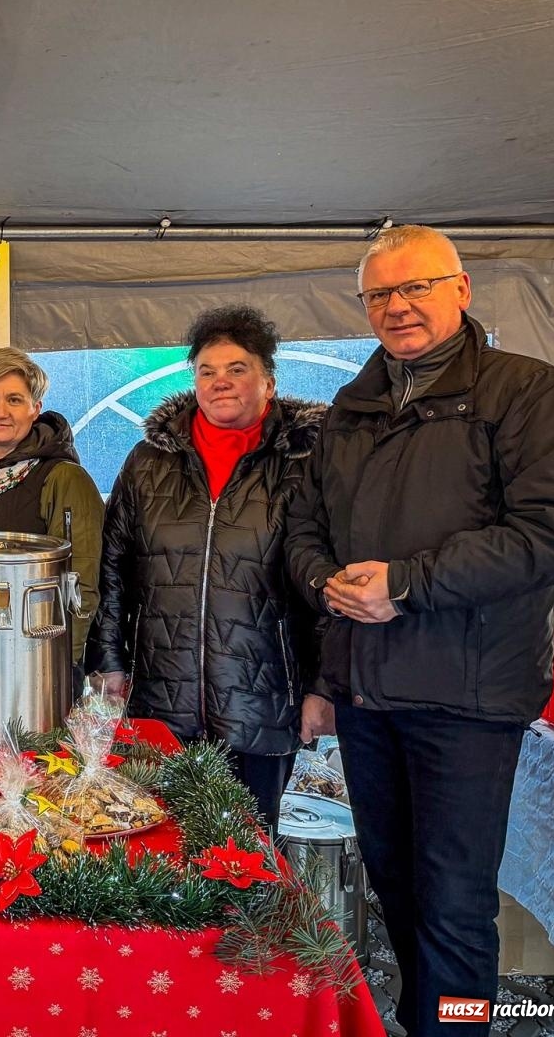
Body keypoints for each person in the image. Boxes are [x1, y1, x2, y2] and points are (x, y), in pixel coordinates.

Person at [286, 225, 554, 1036]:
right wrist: (325, 585)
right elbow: (306, 528)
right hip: (368, 695)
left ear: (460, 289)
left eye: (416, 287)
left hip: (466, 699)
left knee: (456, 904)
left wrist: (409, 584)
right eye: (381, 295)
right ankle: (428, 1019)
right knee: (396, 886)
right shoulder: (351, 411)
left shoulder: (524, 392)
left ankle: (454, 1026)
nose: (399, 307)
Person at [86, 305, 325, 830]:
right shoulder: (148, 462)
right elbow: (114, 570)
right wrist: (109, 661)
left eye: (237, 369)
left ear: (269, 381)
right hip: (162, 699)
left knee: (249, 849)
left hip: (263, 701)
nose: (221, 383)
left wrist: (324, 687)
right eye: (207, 371)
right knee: (160, 847)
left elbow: (330, 586)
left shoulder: (308, 462)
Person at [0, 347, 105, 685]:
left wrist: (62, 663)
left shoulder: (64, 478)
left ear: (35, 408)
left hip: (35, 659)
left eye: (15, 400)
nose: (0, 412)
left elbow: (82, 582)